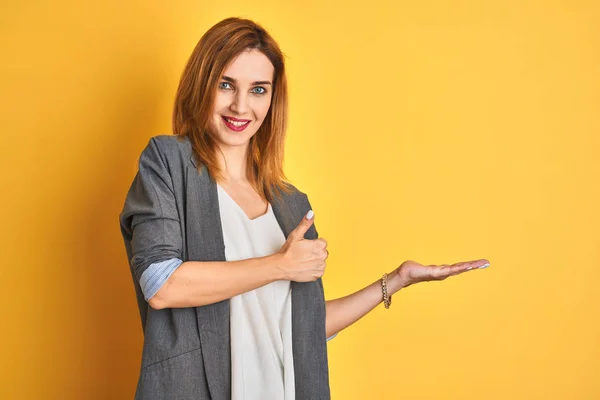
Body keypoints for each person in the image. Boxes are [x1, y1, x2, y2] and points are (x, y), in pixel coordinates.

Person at [119, 17, 490, 400]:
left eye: (258, 90)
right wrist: (278, 266)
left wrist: (395, 280)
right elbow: (161, 284)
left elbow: (304, 328)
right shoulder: (167, 162)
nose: (240, 106)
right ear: (203, 84)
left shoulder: (290, 204)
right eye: (226, 84)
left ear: (272, 99)